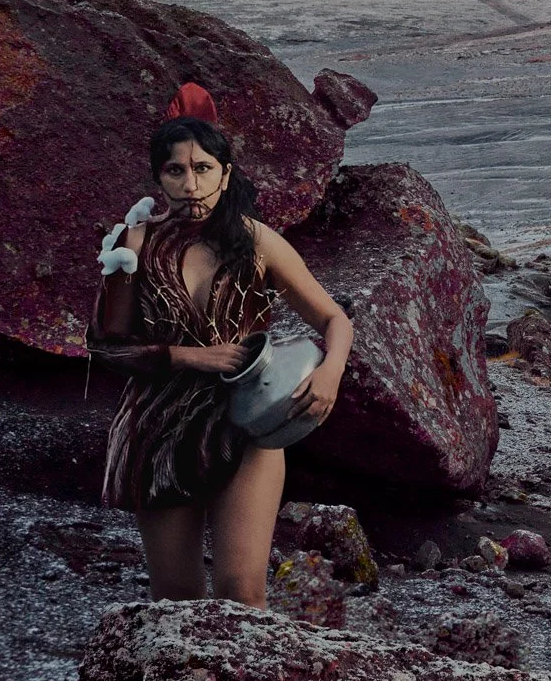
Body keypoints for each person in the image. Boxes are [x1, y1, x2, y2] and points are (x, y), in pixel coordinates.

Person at [87, 83, 352, 606]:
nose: (190, 184)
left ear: (226, 174)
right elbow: (104, 348)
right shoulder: (133, 244)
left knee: (243, 593)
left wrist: (329, 375)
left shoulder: (258, 241)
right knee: (177, 596)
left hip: (248, 420)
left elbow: (333, 318)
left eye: (203, 169)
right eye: (175, 171)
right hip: (156, 428)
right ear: (159, 178)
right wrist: (190, 356)